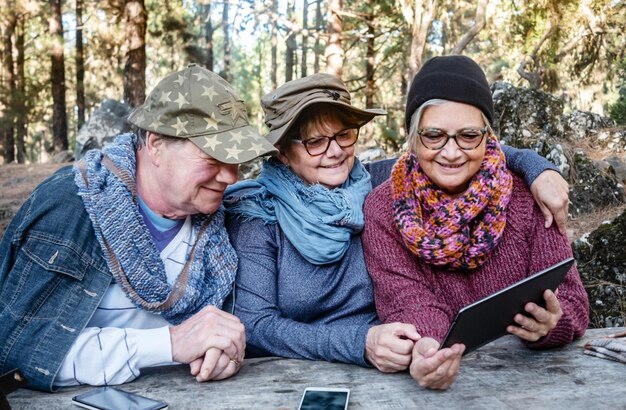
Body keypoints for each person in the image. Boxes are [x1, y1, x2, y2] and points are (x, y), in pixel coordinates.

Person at [223, 72, 571, 372]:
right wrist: (359, 342)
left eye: (344, 134)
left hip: (400, 362)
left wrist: (537, 168)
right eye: (315, 141)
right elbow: (256, 325)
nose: (335, 151)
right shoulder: (257, 214)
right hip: (295, 374)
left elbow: (456, 150)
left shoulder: (380, 180)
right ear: (283, 151)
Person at [0, 64, 277, 391]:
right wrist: (171, 343)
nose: (231, 176)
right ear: (156, 144)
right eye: (213, 158)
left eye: (235, 161)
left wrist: (224, 348)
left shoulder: (220, 225)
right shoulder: (68, 209)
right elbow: (17, 351)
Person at [361, 55, 589, 390]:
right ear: (412, 137)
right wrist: (429, 348)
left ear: (488, 137)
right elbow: (409, 300)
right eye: (434, 135)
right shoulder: (383, 209)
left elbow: (571, 299)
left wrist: (552, 324)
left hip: (535, 385)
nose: (451, 153)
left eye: (468, 135)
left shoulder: (531, 194)